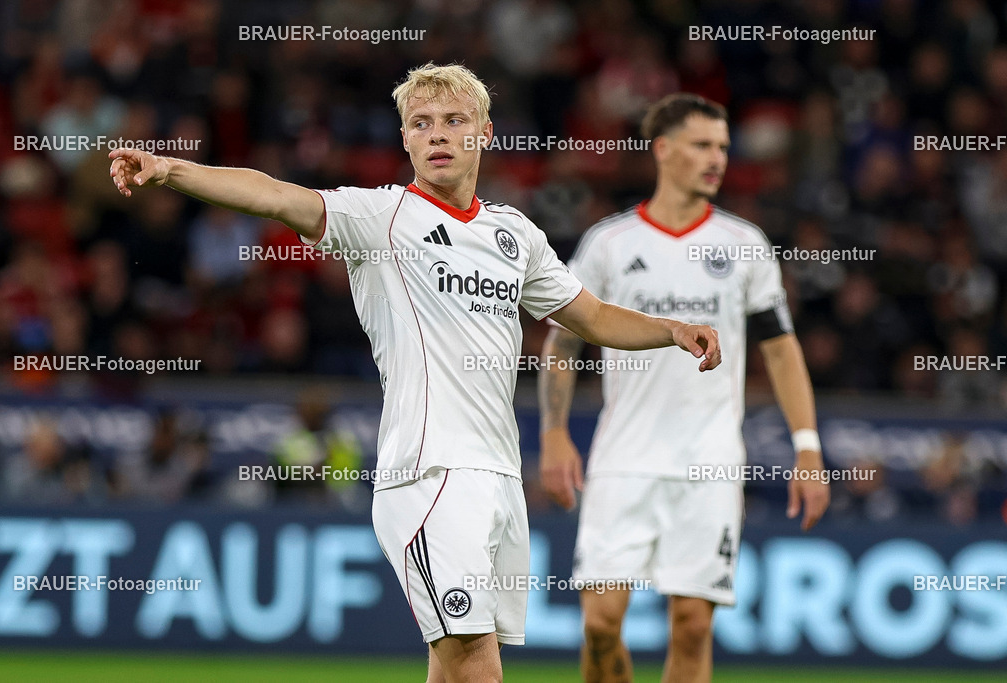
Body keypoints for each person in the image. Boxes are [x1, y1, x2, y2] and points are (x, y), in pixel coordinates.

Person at [108, 64, 721, 683]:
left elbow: (591, 316)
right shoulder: (380, 218)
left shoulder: (515, 235)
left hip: (499, 476)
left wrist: (669, 330)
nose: (438, 135)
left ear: (484, 133)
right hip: (429, 473)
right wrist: (171, 170)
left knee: (451, 667)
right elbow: (273, 194)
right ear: (404, 139)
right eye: (421, 124)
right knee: (477, 667)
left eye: (454, 121)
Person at [538, 93, 830, 683]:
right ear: (663, 149)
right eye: (702, 145)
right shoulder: (609, 243)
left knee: (693, 625)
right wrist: (553, 433)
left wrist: (807, 446)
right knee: (599, 625)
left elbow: (780, 349)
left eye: (722, 146)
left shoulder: (745, 244)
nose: (717, 158)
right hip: (624, 459)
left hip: (710, 460)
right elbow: (563, 344)